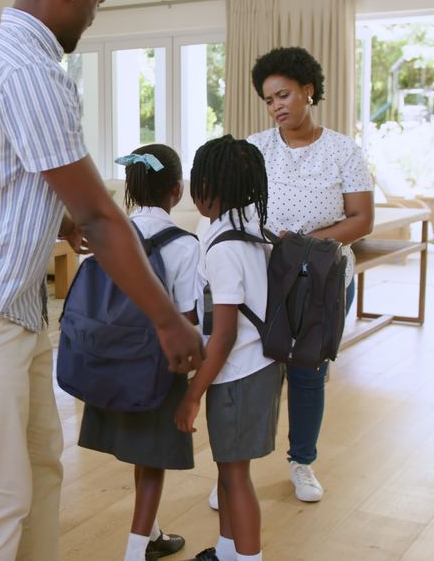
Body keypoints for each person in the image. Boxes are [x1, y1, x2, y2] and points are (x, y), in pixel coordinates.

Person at [0, 0, 205, 558]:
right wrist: (167, 320)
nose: (96, 9)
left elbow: (8, 175)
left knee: (42, 466)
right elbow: (102, 215)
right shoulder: (27, 71)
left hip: (8, 307)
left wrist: (56, 219)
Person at [242, 46, 373, 505]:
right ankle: (237, 471)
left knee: (307, 371)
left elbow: (361, 219)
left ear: (308, 91)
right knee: (255, 372)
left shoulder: (342, 150)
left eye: (283, 95)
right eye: (268, 100)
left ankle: (302, 462)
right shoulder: (255, 148)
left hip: (325, 279)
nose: (276, 106)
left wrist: (302, 245)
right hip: (266, 278)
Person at [76, 144, 198, 561]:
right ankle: (135, 551)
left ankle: (153, 532)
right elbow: (187, 318)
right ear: (177, 190)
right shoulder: (185, 244)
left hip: (110, 362)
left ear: (130, 187)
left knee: (141, 453)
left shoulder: (108, 237)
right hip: (159, 365)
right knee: (154, 460)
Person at [176, 135, 284, 561]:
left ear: (209, 188)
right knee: (228, 466)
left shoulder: (224, 249)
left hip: (239, 373)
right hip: (256, 367)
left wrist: (192, 394)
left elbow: (224, 335)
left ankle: (249, 557)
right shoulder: (254, 233)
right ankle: (225, 551)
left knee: (236, 476)